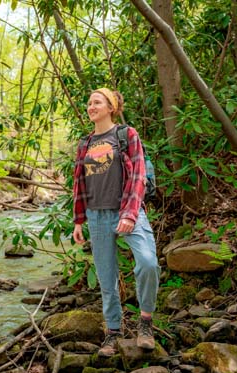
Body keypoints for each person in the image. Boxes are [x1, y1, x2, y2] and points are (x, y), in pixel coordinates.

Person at [72, 88, 160, 356]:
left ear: (111, 107)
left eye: (96, 102)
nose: (91, 106)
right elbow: (79, 183)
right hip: (97, 216)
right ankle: (113, 332)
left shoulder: (126, 135)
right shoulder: (84, 144)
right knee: (106, 278)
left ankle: (145, 323)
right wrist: (79, 220)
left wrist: (130, 214)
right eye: (88, 103)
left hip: (127, 211)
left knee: (147, 263)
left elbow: (138, 178)